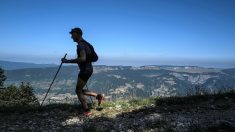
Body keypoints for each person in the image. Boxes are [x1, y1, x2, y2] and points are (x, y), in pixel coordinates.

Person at [61, 27, 104, 116]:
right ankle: (98, 96)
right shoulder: (86, 44)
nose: (71, 37)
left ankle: (87, 110)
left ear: (78, 34)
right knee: (80, 90)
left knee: (78, 90)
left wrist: (67, 61)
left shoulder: (81, 45)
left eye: (72, 35)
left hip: (85, 70)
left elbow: (83, 58)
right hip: (88, 69)